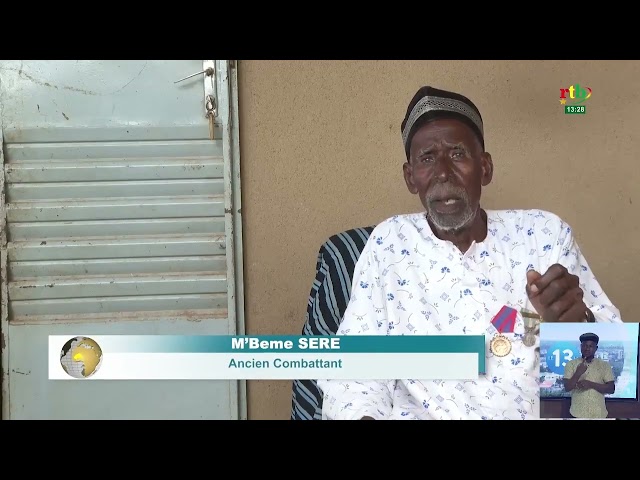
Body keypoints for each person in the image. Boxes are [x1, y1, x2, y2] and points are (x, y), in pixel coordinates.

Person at [316, 86, 623, 420]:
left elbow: (616, 376)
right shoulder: (389, 244)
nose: (444, 173)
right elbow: (356, 368)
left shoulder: (545, 235)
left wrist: (576, 324)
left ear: (485, 168)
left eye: (458, 154)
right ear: (410, 178)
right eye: (427, 158)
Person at [563, 332, 616, 419]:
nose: (587, 349)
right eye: (584, 346)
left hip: (599, 414)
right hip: (577, 414)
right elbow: (567, 387)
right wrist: (578, 373)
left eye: (590, 346)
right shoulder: (571, 364)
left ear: (596, 348)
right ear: (581, 347)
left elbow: (611, 389)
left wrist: (591, 384)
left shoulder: (604, 365)